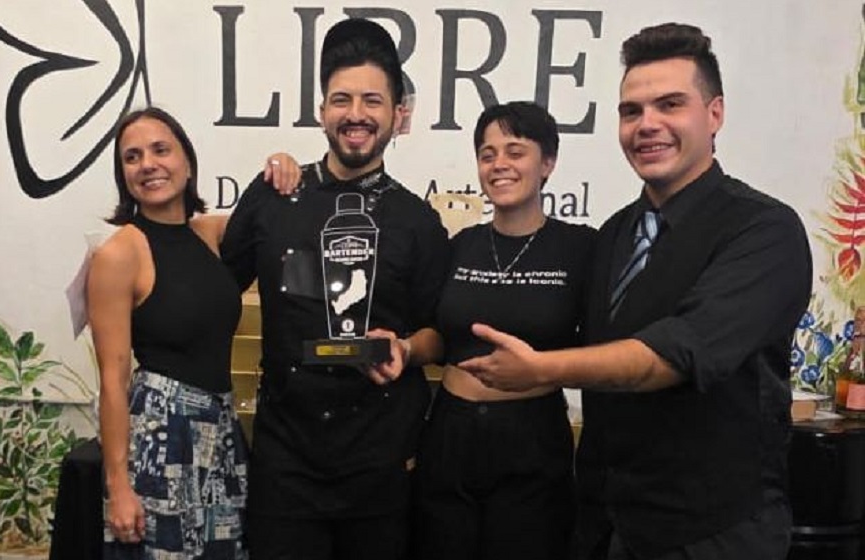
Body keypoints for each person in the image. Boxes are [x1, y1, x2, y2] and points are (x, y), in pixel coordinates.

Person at [458, 23, 812, 560]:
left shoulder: (764, 230)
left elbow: (678, 352)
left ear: (714, 113)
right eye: (631, 111)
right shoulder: (616, 234)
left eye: (670, 104)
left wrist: (543, 369)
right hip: (608, 523)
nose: (647, 125)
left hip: (713, 532)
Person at [220, 18, 450, 560]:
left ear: (398, 113)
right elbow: (214, 292)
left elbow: (443, 335)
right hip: (285, 463)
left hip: (380, 464)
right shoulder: (274, 196)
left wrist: (407, 348)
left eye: (373, 100)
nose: (356, 114)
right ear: (322, 109)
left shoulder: (417, 221)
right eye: (341, 99)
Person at [414, 101, 595, 560]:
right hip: (450, 431)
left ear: (547, 162)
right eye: (487, 154)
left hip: (532, 436)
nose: (499, 165)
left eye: (515, 151)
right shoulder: (460, 245)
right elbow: (438, 336)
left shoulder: (581, 247)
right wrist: (404, 348)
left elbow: (601, 345)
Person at [89, 107, 250, 559]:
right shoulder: (119, 254)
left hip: (221, 431)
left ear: (188, 162)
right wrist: (119, 486)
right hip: (161, 439)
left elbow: (268, 216)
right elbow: (113, 380)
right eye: (132, 157)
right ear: (123, 176)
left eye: (161, 150)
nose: (148, 164)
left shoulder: (208, 233)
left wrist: (283, 165)